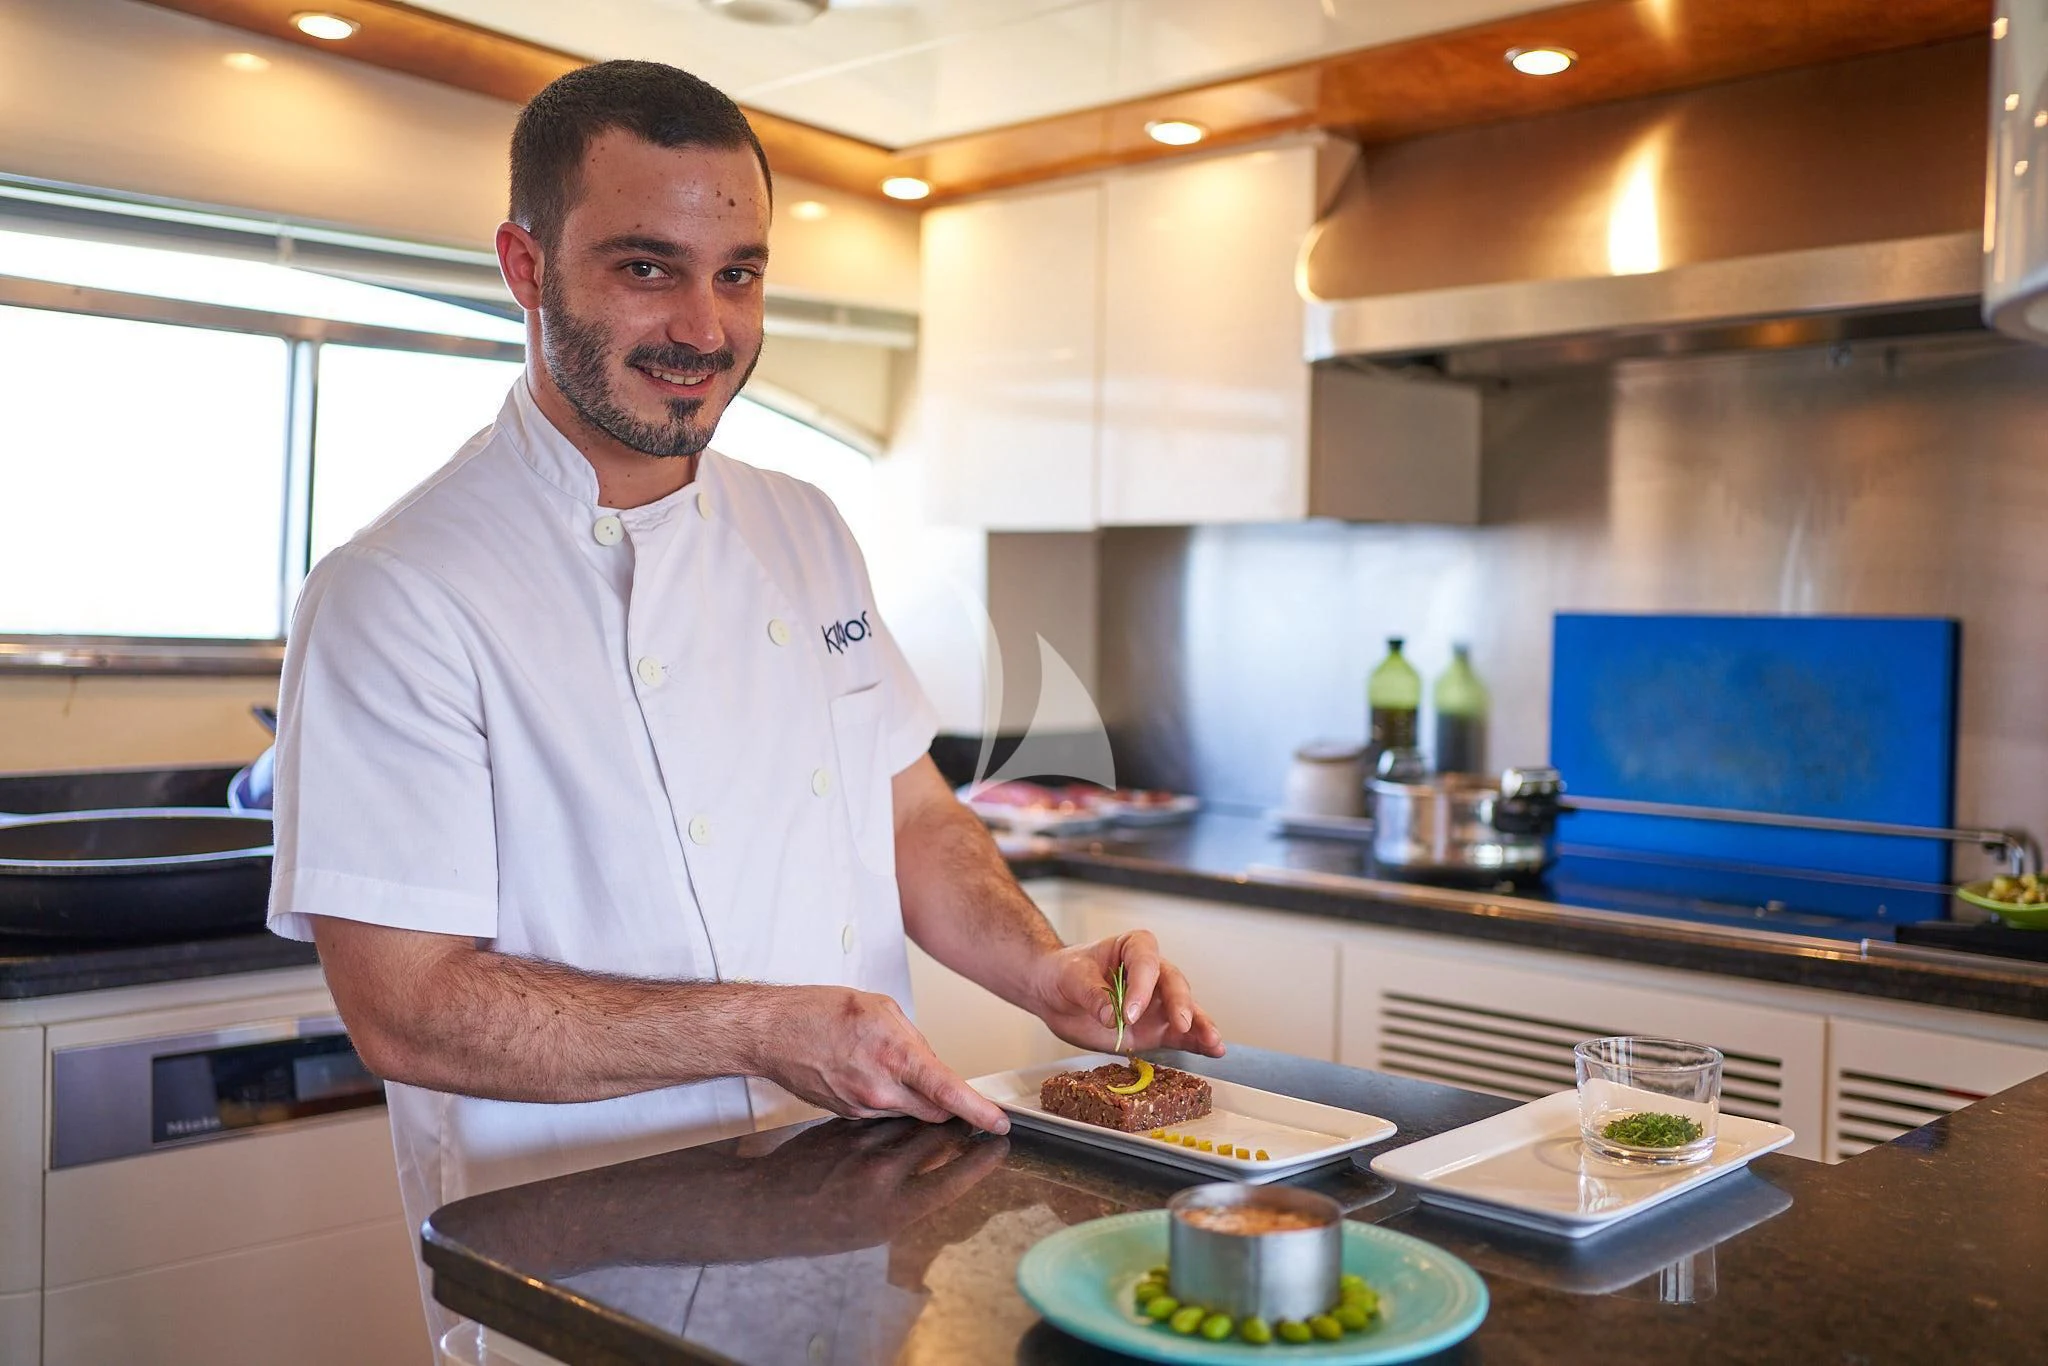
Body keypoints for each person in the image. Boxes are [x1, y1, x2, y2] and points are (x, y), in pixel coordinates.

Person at [265, 59, 1223, 1353]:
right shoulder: (397, 590)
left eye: (741, 273)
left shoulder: (806, 529)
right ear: (524, 265)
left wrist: (1043, 964)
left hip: (858, 1239)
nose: (705, 328)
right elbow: (404, 1003)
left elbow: (913, 813)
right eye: (647, 266)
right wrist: (771, 1027)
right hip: (587, 1290)